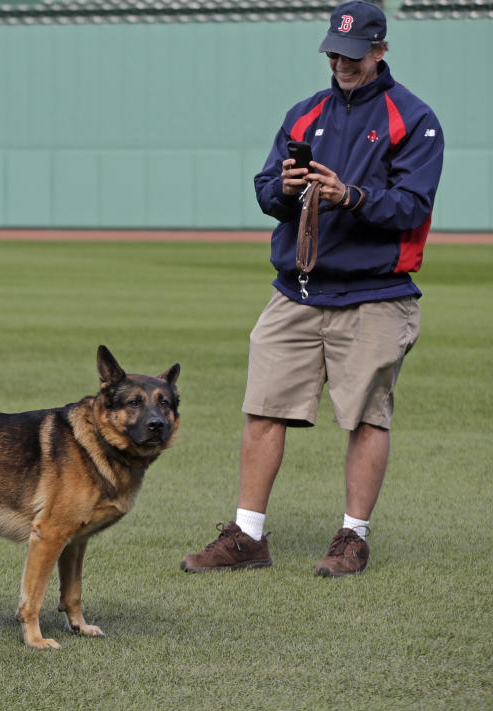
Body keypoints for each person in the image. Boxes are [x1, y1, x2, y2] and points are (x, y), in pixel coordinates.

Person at [181, 0, 443, 577]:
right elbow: (265, 189)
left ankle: (353, 537)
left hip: (375, 293)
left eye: (352, 54)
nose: (340, 63)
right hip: (296, 290)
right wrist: (286, 184)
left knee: (367, 417)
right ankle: (248, 536)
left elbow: (412, 206)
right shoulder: (305, 114)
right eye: (332, 52)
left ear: (380, 50)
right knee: (263, 408)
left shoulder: (413, 118)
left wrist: (348, 195)